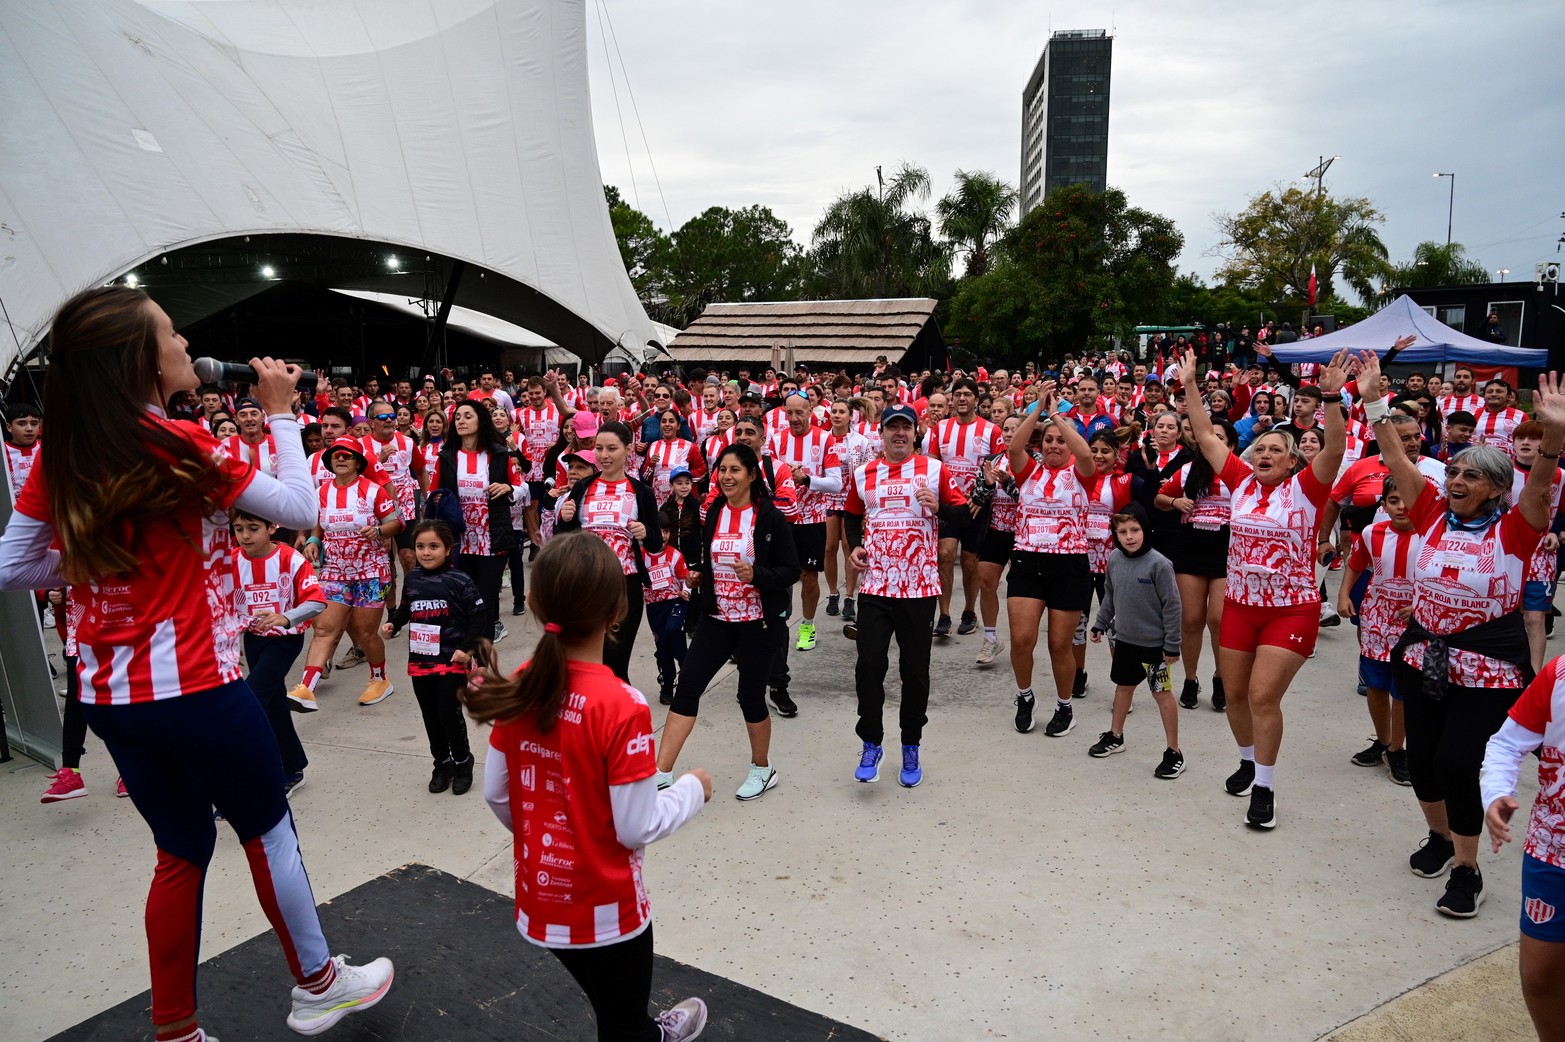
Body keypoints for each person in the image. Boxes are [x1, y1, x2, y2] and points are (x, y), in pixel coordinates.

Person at [0, 287, 393, 1040]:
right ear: (143, 361)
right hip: (200, 685)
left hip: (111, 695)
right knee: (268, 830)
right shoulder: (183, 443)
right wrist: (281, 412)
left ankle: (176, 1029)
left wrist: (105, 565)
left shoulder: (63, 449)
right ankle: (317, 984)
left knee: (179, 850)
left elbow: (13, 566)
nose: (188, 346)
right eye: (173, 335)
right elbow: (301, 511)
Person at [471, 534, 710, 1042]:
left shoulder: (524, 679)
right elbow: (636, 825)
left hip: (541, 896)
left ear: (534, 605)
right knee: (620, 1021)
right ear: (618, 610)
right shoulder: (621, 703)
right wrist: (692, 789)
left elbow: (496, 790)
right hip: (607, 909)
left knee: (613, 1007)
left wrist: (544, 836)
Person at [1365, 351, 1565, 917]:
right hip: (1424, 656)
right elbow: (1394, 455)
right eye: (1454, 471)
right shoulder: (1428, 510)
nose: (1455, 479)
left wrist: (1552, 439)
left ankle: (1467, 869)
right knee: (1422, 762)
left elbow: (1541, 487)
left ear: (1498, 489)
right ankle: (1438, 835)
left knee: (1457, 762)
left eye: (1471, 475)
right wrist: (1374, 401)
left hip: (1487, 668)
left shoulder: (1518, 528)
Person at [1178, 344, 1358, 830]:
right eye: (1260, 448)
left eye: (1276, 450)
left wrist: (1331, 398)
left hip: (1291, 609)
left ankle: (1265, 787)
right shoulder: (1239, 481)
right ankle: (1246, 759)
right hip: (1239, 605)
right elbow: (1203, 434)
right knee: (1234, 695)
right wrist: (1191, 384)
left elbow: (1336, 449)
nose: (1264, 453)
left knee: (1261, 697)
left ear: (1293, 461)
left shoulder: (1307, 489)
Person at [654, 444, 798, 799]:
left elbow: (790, 570)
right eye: (722, 470)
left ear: (751, 475)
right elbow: (710, 556)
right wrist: (699, 574)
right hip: (717, 618)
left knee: (749, 696)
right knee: (688, 686)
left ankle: (763, 769)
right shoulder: (715, 510)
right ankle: (659, 774)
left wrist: (757, 574)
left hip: (757, 622)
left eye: (735, 470)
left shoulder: (770, 518)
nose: (727, 476)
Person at [843, 404, 969, 786]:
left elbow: (965, 517)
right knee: (869, 666)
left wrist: (941, 508)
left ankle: (911, 745)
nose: (899, 433)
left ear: (916, 433)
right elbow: (850, 513)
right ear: (880, 434)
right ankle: (871, 742)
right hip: (877, 585)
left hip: (918, 587)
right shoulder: (864, 472)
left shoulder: (935, 469)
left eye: (905, 428)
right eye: (892, 427)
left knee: (914, 672)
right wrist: (856, 545)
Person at [1481, 655, 1565, 1041]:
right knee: (1539, 975)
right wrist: (1497, 793)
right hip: (1554, 848)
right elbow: (1506, 745)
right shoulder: (1560, 674)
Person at [1006, 387, 1096, 739]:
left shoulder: (1082, 475)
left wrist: (1057, 417)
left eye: (1061, 441)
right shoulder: (1028, 472)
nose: (1054, 445)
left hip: (1069, 565)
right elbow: (1015, 447)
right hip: (1028, 562)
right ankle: (1025, 696)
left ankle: (1064, 705)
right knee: (1021, 639)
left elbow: (1085, 452)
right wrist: (1039, 414)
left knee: (1060, 644)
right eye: (1048, 441)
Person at [291, 437, 402, 711]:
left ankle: (380, 679)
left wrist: (378, 531)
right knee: (324, 628)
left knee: (365, 633)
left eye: (347, 455)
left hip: (372, 572)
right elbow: (319, 526)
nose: (340, 458)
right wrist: (314, 542)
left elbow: (396, 523)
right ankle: (307, 687)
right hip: (335, 572)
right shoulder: (321, 492)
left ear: (358, 462)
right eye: (336, 455)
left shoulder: (374, 491)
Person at [554, 420, 664, 683]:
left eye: (612, 448)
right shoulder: (583, 487)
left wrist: (645, 532)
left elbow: (656, 543)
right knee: (585, 666)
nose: (604, 455)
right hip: (585, 585)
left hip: (624, 586)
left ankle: (619, 720)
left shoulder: (641, 492)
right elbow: (563, 542)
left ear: (628, 450)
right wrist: (564, 520)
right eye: (600, 448)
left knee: (615, 665)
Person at [382, 519, 483, 795]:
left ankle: (463, 761)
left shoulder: (459, 580)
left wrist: (467, 649)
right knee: (430, 715)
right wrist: (395, 623)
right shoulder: (413, 578)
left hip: (452, 659)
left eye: (434, 546)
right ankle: (442, 763)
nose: (426, 553)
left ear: (448, 549)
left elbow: (479, 618)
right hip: (421, 660)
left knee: (448, 713)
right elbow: (406, 608)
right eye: (420, 547)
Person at [231, 508, 324, 795]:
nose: (245, 535)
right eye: (238, 528)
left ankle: (244, 779)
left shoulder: (290, 559)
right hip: (254, 639)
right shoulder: (230, 560)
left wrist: (286, 617)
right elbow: (221, 606)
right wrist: (230, 643)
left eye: (253, 528)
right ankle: (293, 768)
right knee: (273, 705)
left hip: (285, 639)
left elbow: (317, 601)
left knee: (247, 703)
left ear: (272, 527)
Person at [1087, 504, 1185, 778]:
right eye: (1122, 531)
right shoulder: (1115, 559)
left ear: (1146, 530)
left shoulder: (1160, 564)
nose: (1129, 536)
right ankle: (1115, 736)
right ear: (1115, 534)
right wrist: (1100, 623)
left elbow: (1172, 606)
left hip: (1154, 647)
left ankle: (1174, 751)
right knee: (1123, 688)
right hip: (1125, 642)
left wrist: (1172, 644)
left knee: (1161, 695)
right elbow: (1109, 595)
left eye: (1135, 530)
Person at [1335, 476, 1416, 785]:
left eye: (1407, 499)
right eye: (1394, 500)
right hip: (1376, 619)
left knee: (1403, 690)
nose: (1401, 506)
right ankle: (1382, 741)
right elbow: (1356, 563)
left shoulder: (1432, 536)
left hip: (1412, 626)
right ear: (1384, 505)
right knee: (1376, 685)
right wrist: (1343, 594)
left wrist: (1422, 605)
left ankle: (1398, 749)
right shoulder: (1372, 533)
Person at [1154, 418, 1236, 712]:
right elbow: (1160, 498)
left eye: (1220, 438)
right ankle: (1190, 679)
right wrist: (1175, 503)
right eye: (1208, 437)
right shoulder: (1189, 470)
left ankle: (1221, 677)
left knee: (1218, 619)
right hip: (1191, 546)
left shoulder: (1240, 472)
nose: (1212, 442)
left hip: (1226, 549)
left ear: (1231, 445)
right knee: (1190, 620)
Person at [431, 401, 521, 643]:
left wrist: (508, 487)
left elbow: (522, 489)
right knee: (462, 599)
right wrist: (438, 498)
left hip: (492, 538)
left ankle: (483, 662)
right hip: (458, 539)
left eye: (467, 416)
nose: (460, 421)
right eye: (457, 417)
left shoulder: (499, 454)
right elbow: (433, 492)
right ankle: (466, 658)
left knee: (486, 600)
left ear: (480, 421)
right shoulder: (447, 456)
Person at [927, 377, 1005, 637]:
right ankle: (945, 614)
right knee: (945, 554)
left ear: (976, 399)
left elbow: (997, 468)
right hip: (950, 504)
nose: (961, 398)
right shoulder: (941, 429)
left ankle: (969, 612)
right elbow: (933, 465)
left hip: (977, 505)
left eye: (967, 394)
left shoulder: (991, 431)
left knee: (971, 562)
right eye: (957, 394)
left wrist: (980, 496)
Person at [766, 392, 842, 652]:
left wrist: (807, 479)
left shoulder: (824, 438)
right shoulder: (776, 440)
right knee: (778, 576)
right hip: (782, 519)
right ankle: (776, 623)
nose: (795, 418)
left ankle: (807, 625)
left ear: (811, 410)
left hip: (812, 519)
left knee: (809, 576)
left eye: (800, 412)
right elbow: (767, 479)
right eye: (790, 413)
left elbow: (836, 483)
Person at [966, 414, 1022, 667]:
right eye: (1006, 429)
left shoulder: (1035, 462)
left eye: (1014, 429)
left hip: (1024, 534)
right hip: (995, 530)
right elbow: (977, 497)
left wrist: (1008, 482)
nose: (1009, 433)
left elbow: (1032, 497)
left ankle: (1022, 639)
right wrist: (988, 484)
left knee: (1019, 592)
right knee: (986, 581)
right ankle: (990, 638)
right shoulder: (991, 460)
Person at [643, 513, 690, 706]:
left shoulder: (675, 555)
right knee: (663, 647)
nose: (662, 536)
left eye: (666, 531)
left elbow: (686, 579)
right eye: (658, 531)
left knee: (673, 630)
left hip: (676, 603)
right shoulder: (641, 556)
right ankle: (667, 684)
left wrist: (686, 591)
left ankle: (686, 668)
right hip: (654, 607)